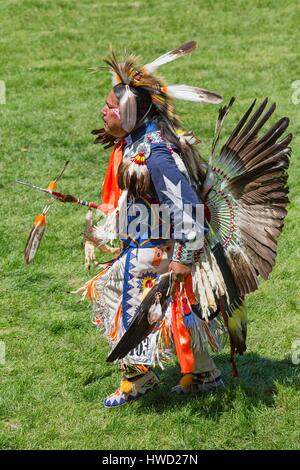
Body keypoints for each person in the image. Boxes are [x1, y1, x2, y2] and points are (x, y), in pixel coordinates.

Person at [80, 41, 291, 408]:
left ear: (130, 111)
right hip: (159, 240)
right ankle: (203, 373)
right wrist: (117, 224)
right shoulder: (138, 140)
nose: (103, 111)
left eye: (111, 107)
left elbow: (189, 209)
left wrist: (181, 258)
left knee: (114, 286)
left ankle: (137, 377)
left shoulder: (156, 153)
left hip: (169, 247)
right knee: (181, 305)